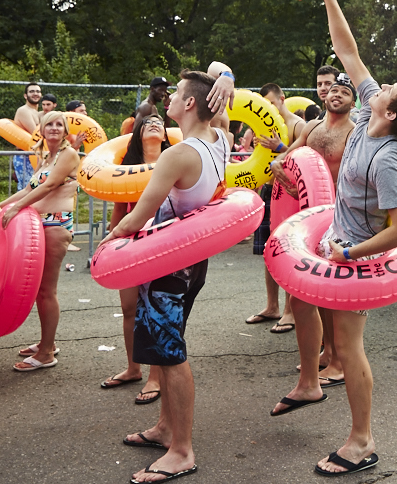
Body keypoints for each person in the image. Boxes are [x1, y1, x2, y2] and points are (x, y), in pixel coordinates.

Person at [273, 0, 397, 477]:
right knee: (301, 303)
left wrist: (352, 252)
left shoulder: (388, 157)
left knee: (348, 346)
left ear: (392, 110)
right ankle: (308, 383)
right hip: (333, 240)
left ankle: (362, 441)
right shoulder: (367, 114)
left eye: (389, 89)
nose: (377, 85)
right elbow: (348, 50)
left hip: (357, 258)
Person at [105, 67, 235, 483]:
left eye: (177, 93)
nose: (170, 98)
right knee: (167, 350)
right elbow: (216, 79)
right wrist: (227, 78)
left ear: (191, 103)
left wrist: (108, 246)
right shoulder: (221, 140)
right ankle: (164, 429)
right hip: (190, 263)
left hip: (166, 269)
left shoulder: (178, 154)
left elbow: (136, 218)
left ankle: (182, 450)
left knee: (172, 355)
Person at [266, 71, 357, 385]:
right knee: (315, 292)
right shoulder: (312, 127)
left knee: (331, 292)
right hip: (307, 215)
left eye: (344, 92)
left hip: (339, 218)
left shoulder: (354, 132)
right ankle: (327, 351)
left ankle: (338, 361)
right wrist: (279, 165)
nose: (336, 95)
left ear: (352, 101)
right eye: (333, 90)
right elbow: (289, 156)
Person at [0, 111, 83, 371]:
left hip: (55, 225)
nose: (54, 128)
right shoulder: (46, 157)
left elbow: (49, 186)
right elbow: (30, 188)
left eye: (59, 124)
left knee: (46, 291)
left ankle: (46, 354)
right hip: (38, 225)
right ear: (41, 130)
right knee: (38, 291)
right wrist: (1, 205)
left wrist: (15, 209)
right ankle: (48, 342)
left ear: (65, 131)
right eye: (49, 124)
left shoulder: (68, 155)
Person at [101, 116, 173, 405]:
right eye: (147, 123)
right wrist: (111, 244)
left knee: (155, 309)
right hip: (131, 244)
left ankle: (156, 376)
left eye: (159, 121)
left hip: (165, 242)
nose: (154, 124)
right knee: (129, 308)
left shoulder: (175, 160)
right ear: (138, 134)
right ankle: (133, 368)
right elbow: (119, 210)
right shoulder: (127, 170)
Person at [246, 83, 309, 335]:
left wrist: (280, 148)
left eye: (272, 103)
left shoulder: (298, 126)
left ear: (282, 99)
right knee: (268, 252)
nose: (269, 108)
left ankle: (289, 311)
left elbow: (306, 159)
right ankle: (271, 306)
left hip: (290, 194)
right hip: (269, 191)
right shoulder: (262, 127)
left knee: (288, 251)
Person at [12, 82, 42, 192]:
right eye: (32, 91)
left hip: (35, 155)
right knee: (27, 189)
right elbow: (36, 133)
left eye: (38, 91)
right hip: (25, 156)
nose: (35, 93)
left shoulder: (36, 112)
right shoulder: (23, 110)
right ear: (25, 96)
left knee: (36, 189)